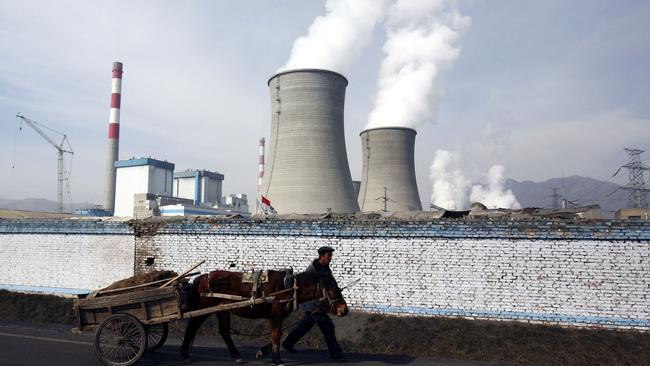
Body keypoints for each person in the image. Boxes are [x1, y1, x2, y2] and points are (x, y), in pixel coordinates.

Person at [281, 246, 347, 362]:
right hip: (312, 304)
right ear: (321, 256)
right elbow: (306, 289)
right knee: (328, 327)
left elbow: (328, 284)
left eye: (331, 256)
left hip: (319, 303)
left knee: (304, 326)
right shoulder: (312, 270)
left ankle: (288, 343)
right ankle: (336, 354)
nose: (330, 258)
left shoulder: (326, 268)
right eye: (328, 255)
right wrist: (314, 302)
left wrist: (334, 291)